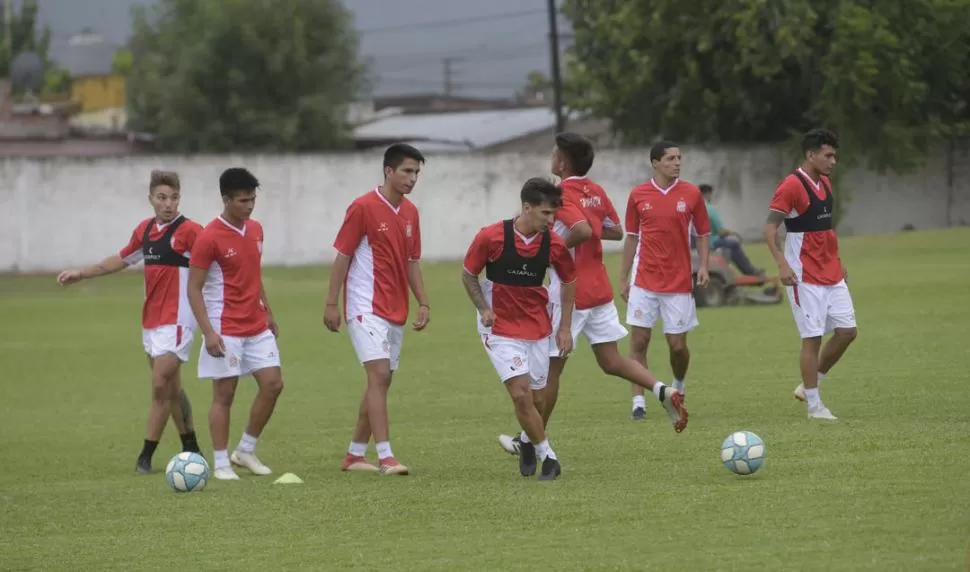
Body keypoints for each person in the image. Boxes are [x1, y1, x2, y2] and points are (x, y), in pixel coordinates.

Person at [496, 133, 688, 458]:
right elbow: (613, 229)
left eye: (555, 152)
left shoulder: (562, 194)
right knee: (611, 360)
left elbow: (583, 230)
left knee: (550, 371)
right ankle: (662, 389)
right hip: (600, 287)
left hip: (570, 290)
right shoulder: (594, 191)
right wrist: (588, 227)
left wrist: (550, 254)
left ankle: (530, 440)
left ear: (561, 161)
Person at [57, 170, 202, 473]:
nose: (168, 203)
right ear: (150, 198)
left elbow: (215, 264)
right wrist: (81, 273)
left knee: (160, 384)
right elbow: (121, 259)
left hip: (179, 321)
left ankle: (145, 457)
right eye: (162, 197)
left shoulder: (190, 231)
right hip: (151, 322)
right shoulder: (145, 231)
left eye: (174, 197)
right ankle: (192, 448)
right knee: (172, 388)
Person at [462, 177, 579, 481]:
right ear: (526, 207)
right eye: (545, 214)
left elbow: (568, 281)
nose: (551, 221)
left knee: (538, 400)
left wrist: (565, 327)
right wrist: (483, 308)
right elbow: (468, 274)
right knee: (521, 395)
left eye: (554, 214)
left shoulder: (553, 243)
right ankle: (548, 457)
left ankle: (527, 442)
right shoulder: (491, 237)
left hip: (538, 327)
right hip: (498, 328)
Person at [324, 143, 430, 477]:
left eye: (416, 173)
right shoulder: (363, 207)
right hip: (363, 305)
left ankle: (355, 455)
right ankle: (386, 456)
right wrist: (331, 303)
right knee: (379, 376)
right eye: (407, 171)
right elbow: (342, 256)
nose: (412, 179)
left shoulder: (411, 213)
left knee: (380, 383)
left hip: (394, 308)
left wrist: (423, 301)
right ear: (388, 171)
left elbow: (412, 262)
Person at [187, 167, 284, 481]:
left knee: (273, 384)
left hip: (256, 324)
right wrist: (209, 332)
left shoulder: (256, 229)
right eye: (243, 200)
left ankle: (245, 449)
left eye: (253, 199)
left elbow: (254, 275)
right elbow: (193, 288)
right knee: (224, 395)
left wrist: (268, 311)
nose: (250, 206)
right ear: (226, 199)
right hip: (224, 327)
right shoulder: (209, 238)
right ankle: (220, 463)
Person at [764, 128, 857, 420]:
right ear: (810, 154)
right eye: (827, 155)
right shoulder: (791, 186)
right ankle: (815, 406)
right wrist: (781, 263)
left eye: (834, 155)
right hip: (804, 276)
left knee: (847, 332)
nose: (833, 161)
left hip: (832, 272)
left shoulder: (826, 184)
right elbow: (769, 230)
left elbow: (827, 229)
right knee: (812, 337)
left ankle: (810, 385)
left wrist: (838, 262)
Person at [620, 141, 711, 420]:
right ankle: (638, 403)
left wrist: (704, 265)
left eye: (679, 158)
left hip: (679, 283)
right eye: (670, 158)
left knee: (678, 346)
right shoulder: (638, 195)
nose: (677, 163)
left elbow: (703, 233)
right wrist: (624, 277)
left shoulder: (691, 193)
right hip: (644, 280)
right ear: (655, 163)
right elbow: (632, 237)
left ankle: (678, 387)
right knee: (639, 342)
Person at [700, 184, 764, 277]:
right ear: (707, 194)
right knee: (734, 243)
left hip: (701, 242)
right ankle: (750, 271)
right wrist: (733, 233)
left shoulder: (696, 207)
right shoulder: (709, 209)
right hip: (710, 243)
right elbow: (720, 231)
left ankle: (748, 270)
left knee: (729, 243)